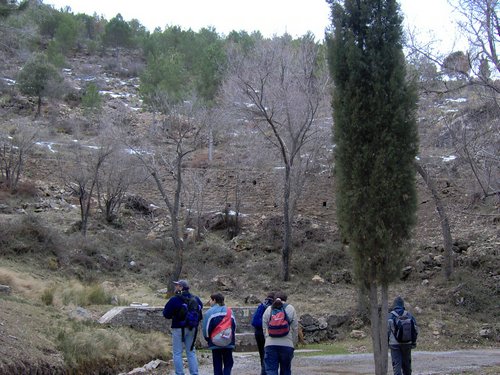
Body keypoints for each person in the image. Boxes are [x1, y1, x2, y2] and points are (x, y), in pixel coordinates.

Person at [163, 279, 203, 375]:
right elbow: (200, 313)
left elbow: (166, 314)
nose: (175, 287)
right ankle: (194, 373)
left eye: (177, 285)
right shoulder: (196, 298)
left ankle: (180, 373)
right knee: (191, 352)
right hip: (192, 328)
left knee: (177, 353)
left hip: (178, 328)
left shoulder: (174, 299)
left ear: (181, 287)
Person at [262, 291, 298, 375]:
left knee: (271, 371)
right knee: (286, 370)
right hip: (287, 345)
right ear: (285, 299)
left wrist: (267, 340)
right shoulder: (291, 309)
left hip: (270, 345)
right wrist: (293, 344)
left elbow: (264, 329)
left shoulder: (268, 309)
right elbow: (295, 329)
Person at [202, 293, 236, 375]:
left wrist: (208, 339)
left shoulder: (209, 312)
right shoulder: (230, 311)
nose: (210, 302)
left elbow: (206, 329)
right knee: (228, 363)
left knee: (217, 364)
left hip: (215, 341)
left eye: (210, 300)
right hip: (228, 341)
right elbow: (234, 326)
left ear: (214, 300)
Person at [388, 296, 418, 375]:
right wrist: (413, 342)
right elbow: (415, 330)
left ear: (394, 305)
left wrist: (387, 343)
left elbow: (387, 331)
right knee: (407, 366)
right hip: (407, 343)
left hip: (394, 344)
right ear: (402, 304)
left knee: (397, 366)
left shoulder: (390, 316)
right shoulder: (409, 315)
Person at [251, 292, 275, 375]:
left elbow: (254, 321)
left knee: (262, 354)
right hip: (268, 333)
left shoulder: (261, 305)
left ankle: (263, 371)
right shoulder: (273, 306)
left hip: (258, 333)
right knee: (269, 355)